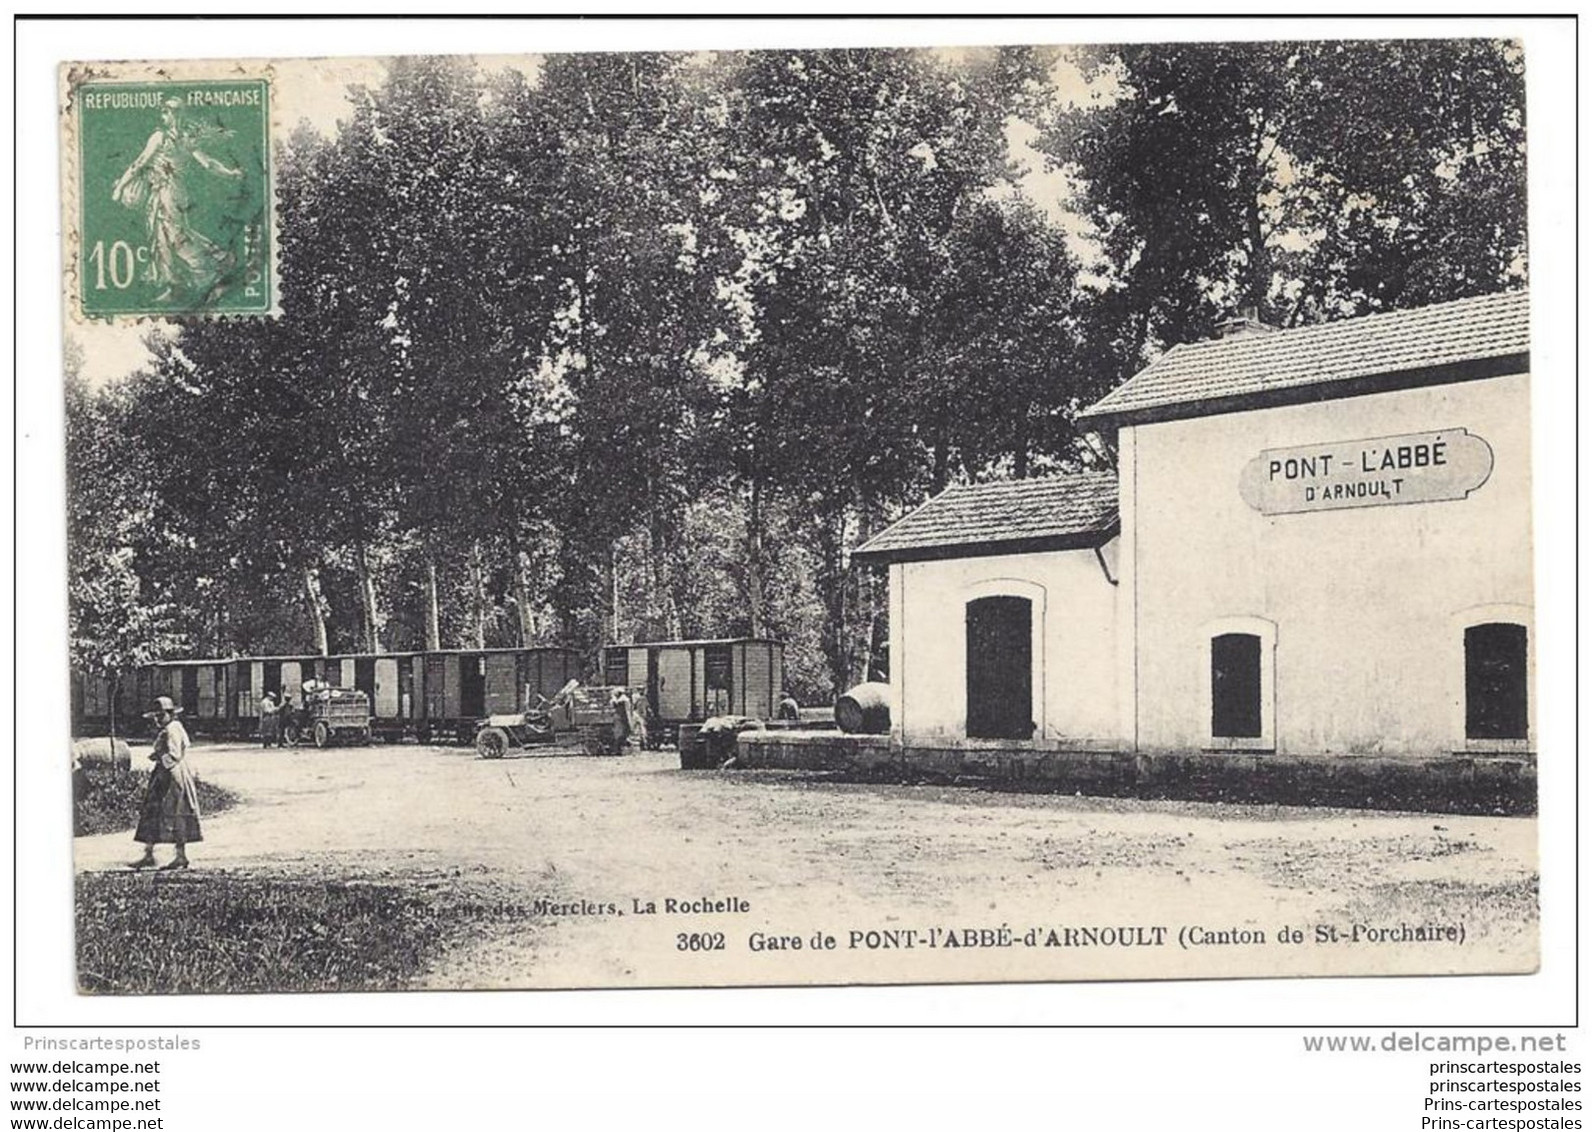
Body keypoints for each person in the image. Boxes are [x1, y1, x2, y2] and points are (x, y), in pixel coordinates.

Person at [110, 98, 243, 302]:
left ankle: (207, 270)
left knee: (172, 236)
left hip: (166, 192)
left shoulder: (160, 137)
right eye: (168, 113)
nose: (168, 116)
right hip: (176, 192)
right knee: (167, 236)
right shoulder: (185, 139)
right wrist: (230, 172)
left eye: (168, 112)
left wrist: (120, 187)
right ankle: (177, 283)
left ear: (171, 115)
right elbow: (208, 163)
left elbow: (139, 163)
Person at [129, 696, 202, 871]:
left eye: (161, 716)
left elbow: (175, 754)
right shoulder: (172, 728)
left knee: (176, 812)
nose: (157, 720)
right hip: (164, 773)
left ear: (171, 715)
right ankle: (149, 853)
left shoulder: (172, 729)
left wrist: (160, 756)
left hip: (171, 775)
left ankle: (180, 855)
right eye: (156, 716)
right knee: (152, 811)